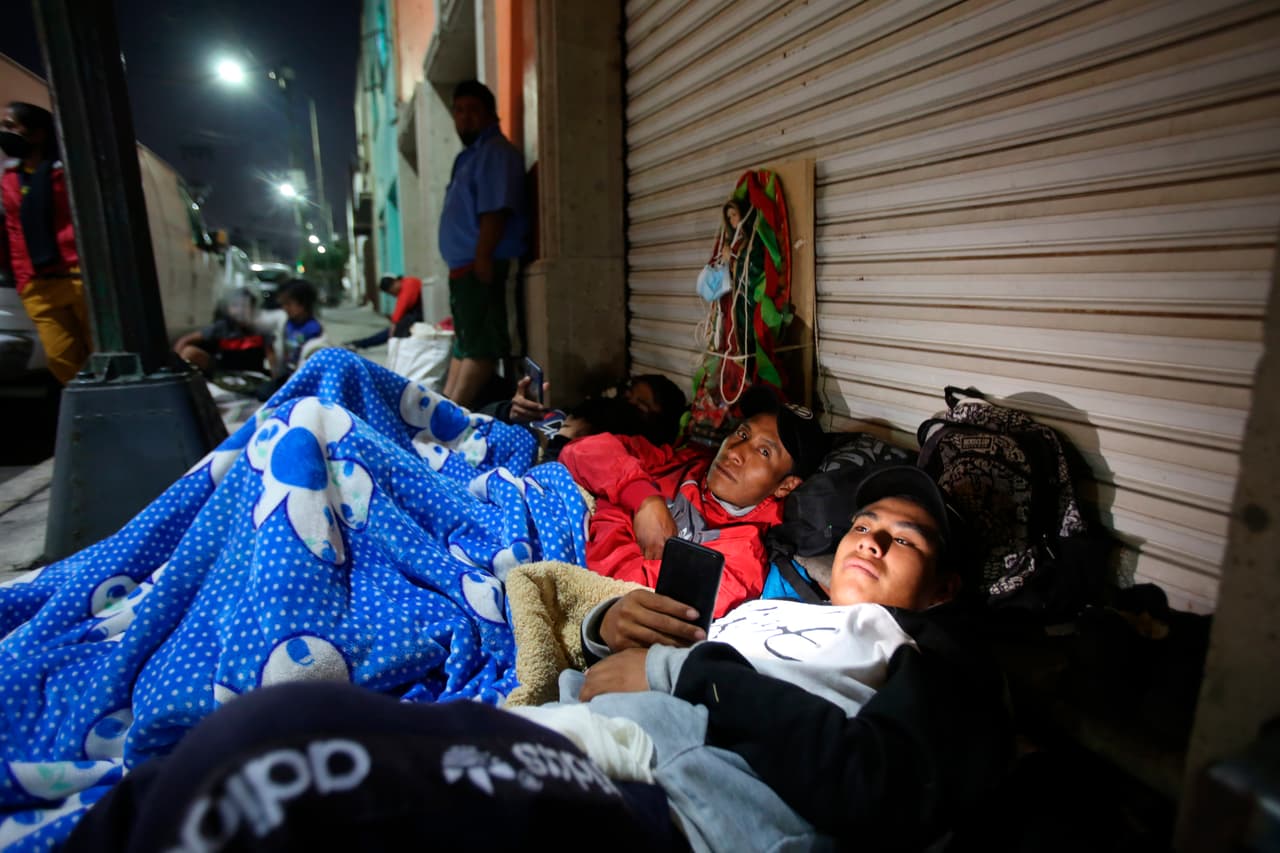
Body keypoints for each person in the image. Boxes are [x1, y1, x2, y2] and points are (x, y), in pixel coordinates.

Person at [61, 466, 1010, 853]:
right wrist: (612, 629)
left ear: (943, 590)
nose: (871, 538)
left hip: (681, 803)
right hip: (592, 728)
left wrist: (682, 675)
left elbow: (879, 788)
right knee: (207, 769)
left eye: (906, 539)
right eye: (865, 522)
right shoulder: (768, 605)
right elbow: (637, 655)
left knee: (265, 767)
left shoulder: (918, 658)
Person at [559, 384, 828, 618]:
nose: (735, 452)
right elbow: (580, 450)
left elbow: (626, 593)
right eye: (743, 435)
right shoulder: (686, 463)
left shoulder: (736, 563)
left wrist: (615, 505)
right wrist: (644, 499)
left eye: (764, 451)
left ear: (785, 486)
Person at [438, 80, 527, 409]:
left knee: (483, 347)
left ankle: (449, 420)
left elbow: (495, 210)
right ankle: (443, 410)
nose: (465, 118)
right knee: (467, 343)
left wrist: (483, 258)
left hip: (484, 264)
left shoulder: (496, 152)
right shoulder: (468, 157)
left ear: (491, 113)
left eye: (473, 110)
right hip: (464, 268)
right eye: (459, 111)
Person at [1, 101, 92, 383]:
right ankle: (89, 403)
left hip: (76, 277)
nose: (4, 132)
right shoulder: (10, 179)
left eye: (10, 126)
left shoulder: (67, 173)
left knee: (102, 353)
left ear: (37, 133)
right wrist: (24, 279)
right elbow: (14, 229)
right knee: (60, 358)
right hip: (38, 284)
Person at [491, 372, 688, 456]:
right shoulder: (571, 414)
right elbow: (480, 418)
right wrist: (510, 411)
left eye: (641, 405)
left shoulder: (599, 454)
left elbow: (536, 488)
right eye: (628, 392)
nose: (626, 401)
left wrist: (561, 443)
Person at [172, 288, 273, 375]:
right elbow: (185, 340)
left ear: (253, 308)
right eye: (235, 305)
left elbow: (271, 357)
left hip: (252, 376)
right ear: (228, 308)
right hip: (222, 374)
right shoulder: (222, 327)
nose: (240, 310)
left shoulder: (260, 328)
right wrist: (172, 365)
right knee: (189, 352)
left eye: (244, 305)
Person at [346, 274, 424, 351]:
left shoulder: (409, 284)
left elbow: (402, 305)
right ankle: (359, 343)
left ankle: (359, 344)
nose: (393, 295)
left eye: (392, 292)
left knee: (393, 331)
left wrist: (394, 324)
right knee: (392, 331)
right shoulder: (406, 284)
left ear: (394, 283)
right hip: (417, 314)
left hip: (420, 315)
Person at [277, 278, 323, 375]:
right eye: (283, 304)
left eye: (288, 304)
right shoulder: (288, 324)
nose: (285, 308)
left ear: (303, 304)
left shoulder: (313, 329)